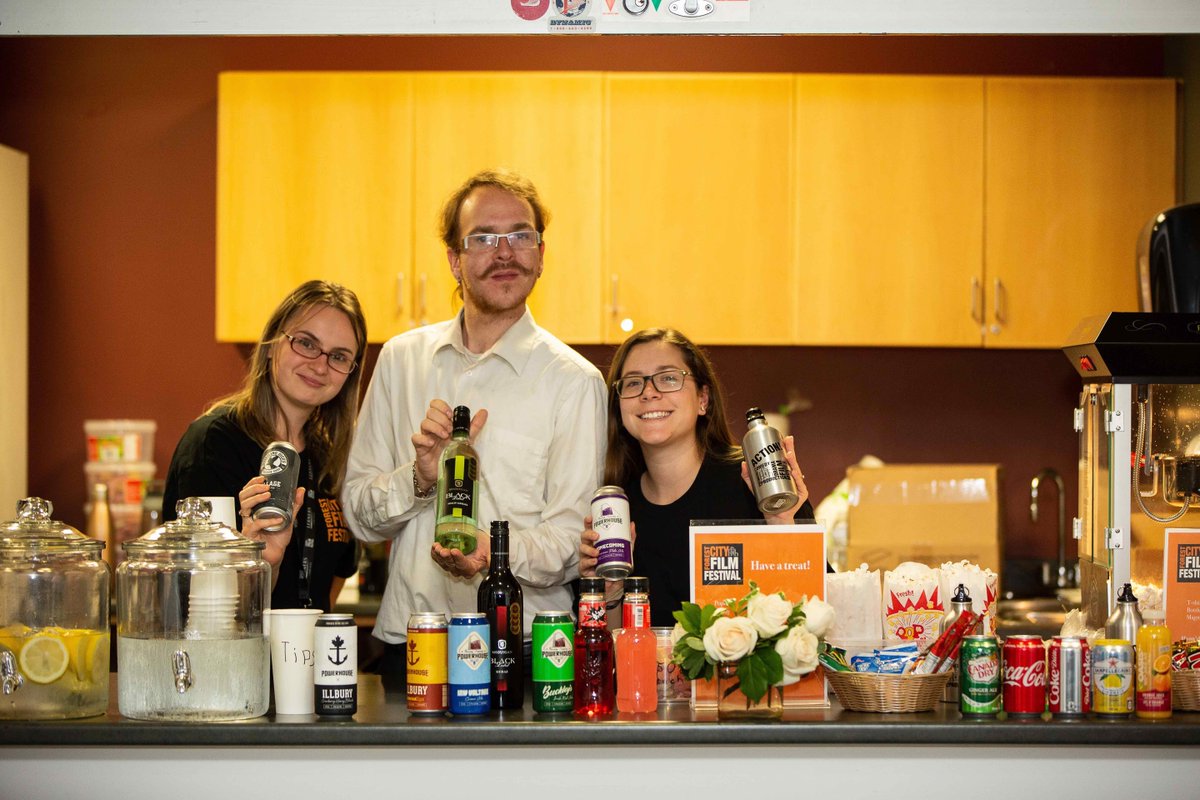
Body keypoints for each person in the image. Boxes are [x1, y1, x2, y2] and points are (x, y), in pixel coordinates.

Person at [341, 169, 606, 686]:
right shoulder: (401, 362)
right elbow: (359, 514)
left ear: (541, 254)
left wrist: (493, 555)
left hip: (530, 647)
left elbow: (574, 540)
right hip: (416, 640)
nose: (504, 252)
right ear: (454, 260)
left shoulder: (574, 382)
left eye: (520, 235)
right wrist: (418, 480)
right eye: (483, 238)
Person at [579, 328, 819, 627]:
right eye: (633, 382)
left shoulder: (754, 479)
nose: (649, 392)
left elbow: (817, 614)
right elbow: (617, 647)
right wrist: (609, 593)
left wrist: (783, 527)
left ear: (703, 399)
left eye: (668, 377)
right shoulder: (616, 509)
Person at [162, 280, 367, 612]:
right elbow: (199, 601)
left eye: (339, 356)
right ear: (272, 343)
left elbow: (338, 571)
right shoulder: (213, 444)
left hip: (307, 661)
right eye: (305, 343)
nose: (319, 365)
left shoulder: (331, 460)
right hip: (232, 661)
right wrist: (262, 561)